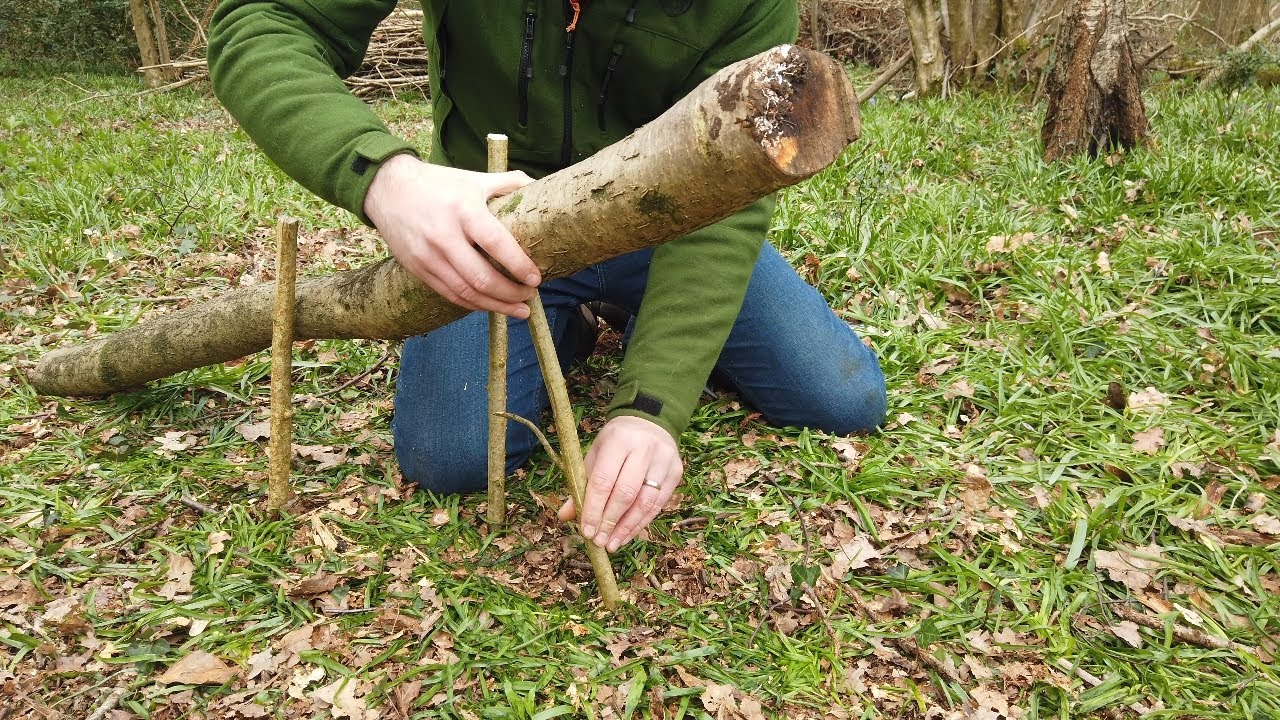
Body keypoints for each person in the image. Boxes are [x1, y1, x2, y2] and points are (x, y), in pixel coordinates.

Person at [208, 0, 887, 555]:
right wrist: (384, 178)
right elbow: (264, 22)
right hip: (495, 226)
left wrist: (652, 409)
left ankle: (616, 310)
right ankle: (571, 317)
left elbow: (730, 190)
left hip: (668, 226)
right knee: (452, 458)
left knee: (841, 401)